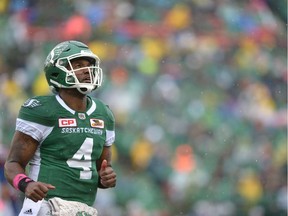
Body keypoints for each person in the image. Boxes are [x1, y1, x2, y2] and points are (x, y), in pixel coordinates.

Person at [4, 40, 117, 216]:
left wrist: (106, 178)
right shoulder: (42, 109)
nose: (87, 70)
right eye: (78, 65)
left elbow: (101, 171)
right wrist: (27, 184)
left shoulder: (104, 114)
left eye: (89, 65)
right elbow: (12, 164)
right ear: (57, 72)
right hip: (45, 206)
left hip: (83, 209)